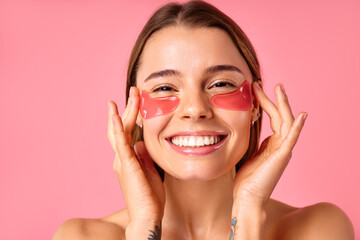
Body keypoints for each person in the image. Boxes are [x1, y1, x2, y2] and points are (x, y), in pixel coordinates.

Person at [53, 1, 354, 239]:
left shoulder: (317, 230)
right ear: (137, 111)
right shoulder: (81, 236)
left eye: (221, 84)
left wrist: (248, 211)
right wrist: (144, 222)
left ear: (255, 106)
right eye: (165, 88)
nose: (195, 109)